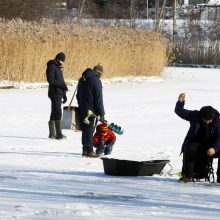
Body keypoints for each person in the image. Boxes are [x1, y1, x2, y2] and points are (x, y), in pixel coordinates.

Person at [175, 93, 220, 183]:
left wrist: (215, 149)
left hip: (211, 146)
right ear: (201, 116)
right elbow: (179, 111)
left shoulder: (217, 122)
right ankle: (188, 176)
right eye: (205, 119)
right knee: (189, 149)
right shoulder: (195, 115)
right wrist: (180, 102)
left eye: (209, 120)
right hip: (196, 143)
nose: (207, 121)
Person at [76, 64, 105, 158]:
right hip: (91, 110)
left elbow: (78, 95)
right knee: (90, 129)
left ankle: (84, 150)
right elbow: (98, 99)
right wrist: (101, 113)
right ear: (99, 73)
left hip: (82, 108)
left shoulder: (82, 79)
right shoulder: (96, 81)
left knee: (85, 129)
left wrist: (82, 104)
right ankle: (90, 151)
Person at [46, 52, 68, 140]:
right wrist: (62, 86)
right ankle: (58, 134)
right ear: (58, 59)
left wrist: (64, 94)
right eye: (62, 60)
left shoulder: (58, 67)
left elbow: (61, 81)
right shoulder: (52, 66)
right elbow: (50, 80)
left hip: (58, 93)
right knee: (58, 112)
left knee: (54, 111)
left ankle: (52, 134)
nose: (62, 62)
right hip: (54, 93)